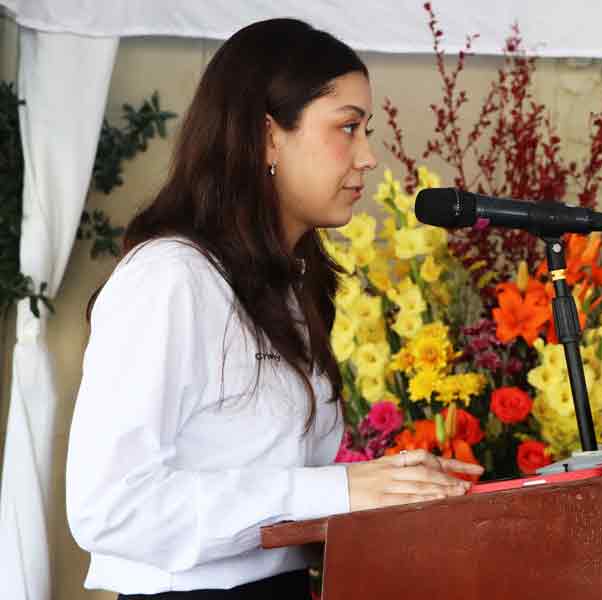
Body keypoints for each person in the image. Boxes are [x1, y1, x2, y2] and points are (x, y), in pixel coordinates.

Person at [65, 18, 483, 599]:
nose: (367, 157)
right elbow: (109, 508)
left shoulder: (291, 282)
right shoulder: (170, 279)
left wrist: (402, 497)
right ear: (267, 136)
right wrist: (339, 491)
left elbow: (283, 495)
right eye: (348, 128)